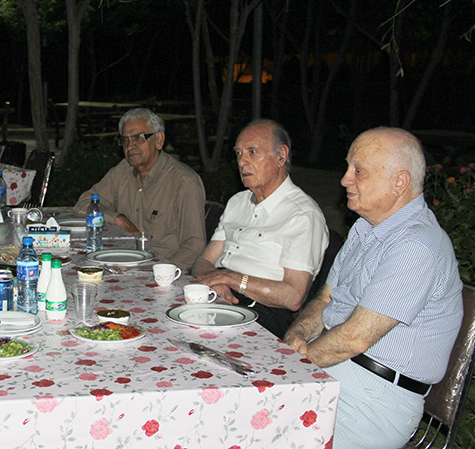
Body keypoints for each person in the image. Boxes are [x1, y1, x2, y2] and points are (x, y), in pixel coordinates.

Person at [284, 127, 463, 449]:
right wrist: (296, 336)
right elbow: (326, 298)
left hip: (376, 400)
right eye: (348, 167)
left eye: (359, 171)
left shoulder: (416, 246)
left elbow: (355, 337)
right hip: (337, 369)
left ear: (399, 183)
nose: (344, 180)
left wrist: (292, 363)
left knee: (255, 422)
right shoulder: (364, 230)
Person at [192, 120, 328, 338]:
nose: (242, 162)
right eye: (238, 154)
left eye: (252, 152)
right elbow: (204, 260)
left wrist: (229, 278)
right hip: (218, 295)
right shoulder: (237, 202)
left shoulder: (302, 215)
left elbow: (293, 297)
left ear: (281, 156)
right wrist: (213, 281)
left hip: (263, 313)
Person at [73, 108, 206, 271]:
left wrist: (161, 271)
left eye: (138, 138)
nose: (131, 146)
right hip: (122, 262)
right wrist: (118, 219)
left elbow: (195, 245)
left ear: (159, 140)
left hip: (163, 268)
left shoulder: (184, 182)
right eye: (125, 140)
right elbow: (83, 205)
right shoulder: (123, 171)